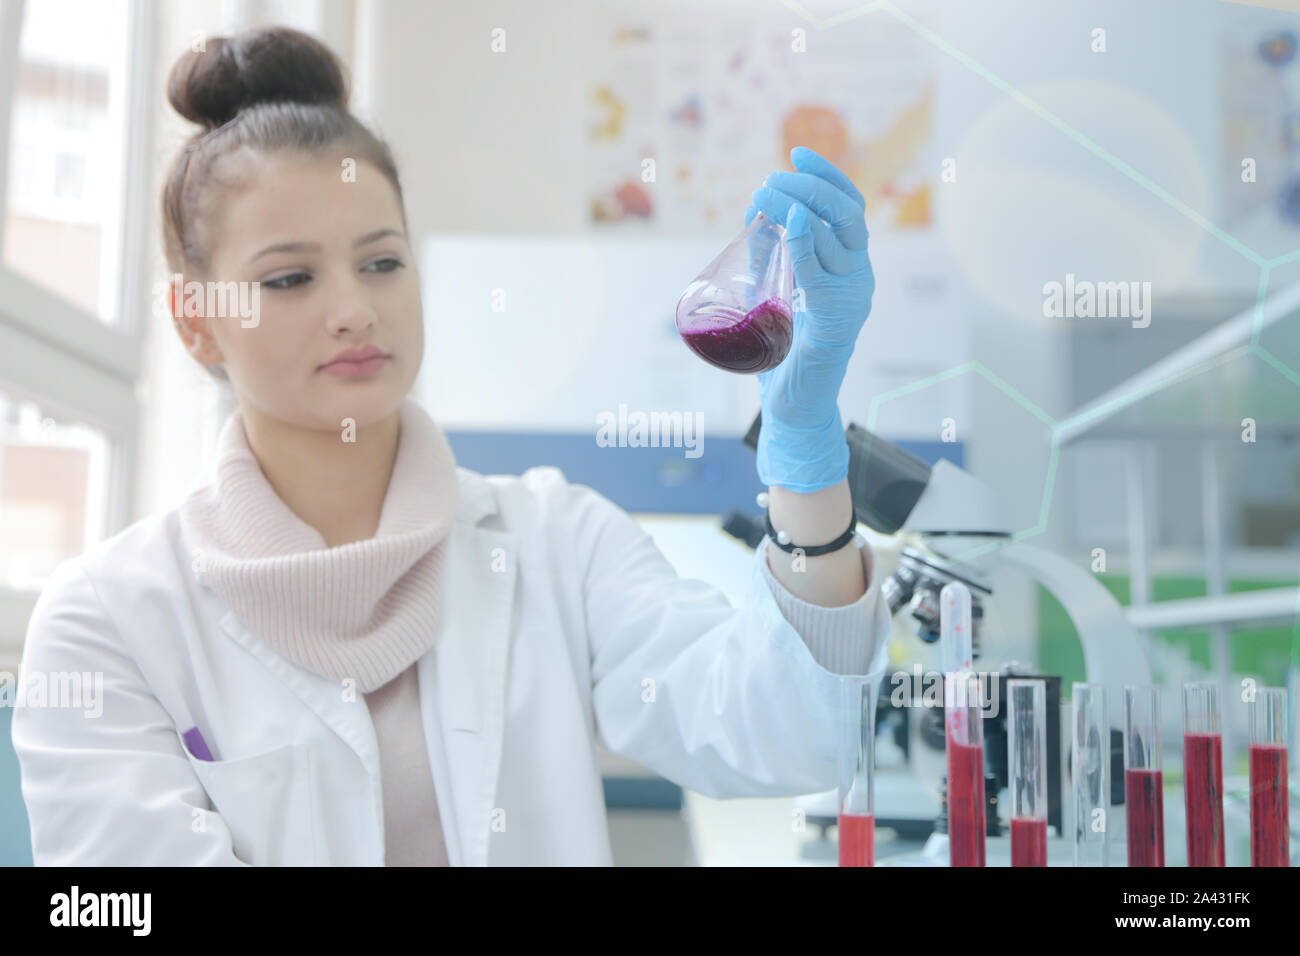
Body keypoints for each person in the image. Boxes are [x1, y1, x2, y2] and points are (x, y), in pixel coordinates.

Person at [11, 26, 889, 866]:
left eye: (382, 261)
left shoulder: (555, 542)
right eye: (290, 278)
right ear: (197, 323)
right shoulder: (109, 621)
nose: (353, 306)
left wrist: (803, 458)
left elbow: (787, 732)